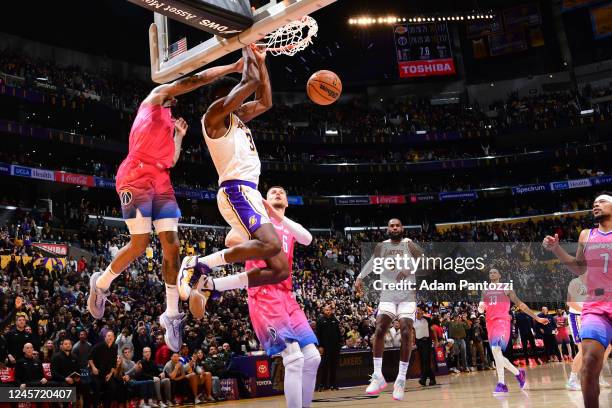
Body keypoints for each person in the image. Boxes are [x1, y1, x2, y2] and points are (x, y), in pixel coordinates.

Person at [87, 57, 243, 352]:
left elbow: (170, 160)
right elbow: (195, 80)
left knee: (172, 245)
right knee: (139, 243)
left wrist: (179, 137)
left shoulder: (172, 122)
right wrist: (231, 68)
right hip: (135, 174)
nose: (178, 93)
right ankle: (102, 283)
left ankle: (171, 314)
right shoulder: (155, 97)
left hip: (161, 178)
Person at [177, 46, 290, 314]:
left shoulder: (236, 118)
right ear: (224, 97)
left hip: (249, 192)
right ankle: (199, 263)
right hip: (235, 190)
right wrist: (248, 45)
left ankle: (212, 285)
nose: (241, 101)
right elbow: (250, 83)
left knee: (280, 269)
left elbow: (265, 102)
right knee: (272, 244)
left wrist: (261, 62)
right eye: (235, 97)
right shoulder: (214, 116)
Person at [224, 185, 320, 408]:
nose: (278, 194)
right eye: (272, 193)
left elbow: (307, 238)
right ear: (264, 200)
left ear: (286, 202)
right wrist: (256, 232)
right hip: (264, 293)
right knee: (294, 359)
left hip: (287, 295)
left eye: (282, 193)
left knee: (313, 358)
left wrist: (277, 216)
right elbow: (230, 240)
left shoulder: (288, 226)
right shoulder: (258, 223)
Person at [355, 218, 422, 400]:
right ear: (387, 229)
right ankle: (378, 376)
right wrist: (360, 277)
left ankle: (401, 379)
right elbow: (371, 262)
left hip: (407, 295)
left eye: (397, 225)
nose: (394, 228)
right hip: (388, 295)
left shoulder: (409, 244)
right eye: (391, 226)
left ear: (402, 228)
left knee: (407, 332)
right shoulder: (381, 246)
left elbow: (423, 261)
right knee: (379, 329)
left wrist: (408, 271)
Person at [478, 268, 549, 395]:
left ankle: (502, 384)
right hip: (490, 323)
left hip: (503, 321)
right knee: (497, 354)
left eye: (495, 272)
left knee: (495, 350)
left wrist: (537, 318)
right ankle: (518, 373)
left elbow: (521, 305)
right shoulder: (485, 290)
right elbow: (481, 308)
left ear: (499, 275)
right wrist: (480, 307)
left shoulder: (506, 288)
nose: (492, 274)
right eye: (490, 273)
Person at [565, 260, 612, 391]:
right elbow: (569, 303)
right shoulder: (575, 283)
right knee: (584, 350)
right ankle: (572, 380)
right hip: (578, 317)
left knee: (607, 347)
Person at [52, 338, 92, 408]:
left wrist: (77, 377)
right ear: (62, 346)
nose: (68, 345)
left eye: (69, 344)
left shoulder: (74, 357)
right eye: (66, 344)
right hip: (61, 381)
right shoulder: (56, 357)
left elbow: (78, 370)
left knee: (86, 386)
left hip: (73, 380)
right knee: (66, 388)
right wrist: (65, 379)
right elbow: (53, 373)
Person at [88, 330, 120, 408]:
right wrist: (93, 367)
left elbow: (113, 363)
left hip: (107, 373)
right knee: (97, 387)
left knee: (113, 387)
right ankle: (96, 405)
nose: (110, 338)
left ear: (114, 338)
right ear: (105, 337)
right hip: (97, 372)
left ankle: (106, 405)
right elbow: (89, 358)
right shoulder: (98, 346)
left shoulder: (114, 348)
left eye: (112, 336)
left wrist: (110, 374)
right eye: (108, 336)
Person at [316, 304, 341, 391]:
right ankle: (323, 384)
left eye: (329, 310)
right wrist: (320, 346)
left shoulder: (335, 320)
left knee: (333, 366)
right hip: (325, 347)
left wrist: (339, 344)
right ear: (323, 311)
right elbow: (318, 334)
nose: (328, 311)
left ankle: (333, 384)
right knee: (324, 366)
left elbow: (338, 333)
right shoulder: (320, 320)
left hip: (334, 347)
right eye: (326, 310)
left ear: (331, 311)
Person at [414, 307, 437, 386]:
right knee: (423, 361)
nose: (418, 313)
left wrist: (436, 340)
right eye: (417, 311)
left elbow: (433, 330)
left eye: (419, 311)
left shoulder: (427, 319)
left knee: (426, 361)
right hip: (418, 342)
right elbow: (413, 332)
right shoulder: (413, 321)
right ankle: (432, 379)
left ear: (422, 312)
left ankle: (423, 378)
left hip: (426, 341)